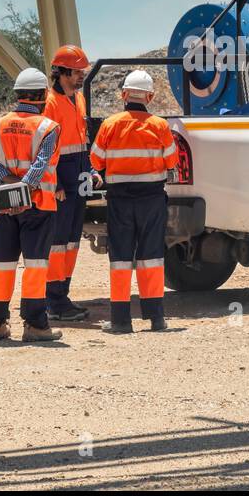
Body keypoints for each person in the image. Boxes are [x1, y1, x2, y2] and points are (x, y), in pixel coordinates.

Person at [89, 69, 179, 334]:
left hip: (120, 201)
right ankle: (156, 318)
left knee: (120, 259)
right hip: (152, 199)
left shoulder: (110, 124)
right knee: (152, 257)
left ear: (124, 94)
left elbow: (96, 161)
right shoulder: (160, 126)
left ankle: (120, 321)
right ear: (149, 97)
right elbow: (172, 161)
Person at [0, 68, 64, 342]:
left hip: (5, 207)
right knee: (36, 265)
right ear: (42, 95)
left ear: (17, 95)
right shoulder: (48, 127)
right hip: (38, 206)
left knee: (3, 265)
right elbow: (40, 166)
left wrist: (10, 188)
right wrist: (23, 193)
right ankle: (35, 325)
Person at [42, 45, 93, 321]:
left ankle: (63, 294)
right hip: (62, 176)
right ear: (61, 73)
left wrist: (91, 170)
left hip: (80, 173)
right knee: (58, 241)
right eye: (76, 72)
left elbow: (81, 140)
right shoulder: (50, 103)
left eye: (82, 71)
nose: (81, 76)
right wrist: (56, 183)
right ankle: (53, 299)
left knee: (72, 240)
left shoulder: (79, 99)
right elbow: (47, 147)